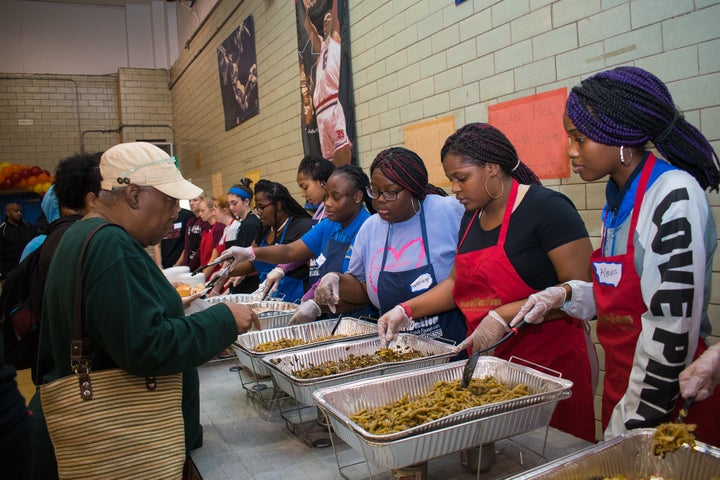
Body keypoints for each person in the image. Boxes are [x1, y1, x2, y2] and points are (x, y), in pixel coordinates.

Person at [511, 66, 720, 444]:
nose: (570, 151)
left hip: (667, 399)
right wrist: (567, 294)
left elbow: (672, 329)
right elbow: (621, 293)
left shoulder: (673, 195)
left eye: (579, 139)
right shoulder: (616, 202)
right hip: (623, 384)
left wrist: (631, 427)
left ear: (621, 137)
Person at [29, 142, 259, 479]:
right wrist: (223, 319)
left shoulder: (84, 234)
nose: (174, 214)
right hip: (119, 441)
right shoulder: (110, 245)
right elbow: (146, 345)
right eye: (168, 202)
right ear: (133, 195)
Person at [377, 124, 597, 442]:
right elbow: (457, 284)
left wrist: (502, 316)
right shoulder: (472, 217)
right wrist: (406, 309)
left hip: (549, 371)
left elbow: (584, 293)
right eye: (451, 179)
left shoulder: (547, 208)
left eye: (461, 178)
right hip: (491, 371)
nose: (454, 188)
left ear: (492, 169)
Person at [313, 147, 467, 350]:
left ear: (413, 188)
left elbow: (467, 282)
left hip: (451, 348)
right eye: (375, 191)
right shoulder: (371, 229)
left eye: (391, 192)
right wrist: (335, 279)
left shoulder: (450, 211)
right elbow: (363, 289)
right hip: (396, 352)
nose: (380, 199)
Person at [216, 165, 375, 323]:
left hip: (361, 319)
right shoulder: (330, 225)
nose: (327, 203)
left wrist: (316, 304)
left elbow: (365, 291)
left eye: (336, 197)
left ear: (357, 196)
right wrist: (250, 252)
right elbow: (290, 251)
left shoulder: (369, 228)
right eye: (327, 196)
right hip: (331, 318)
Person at [211, 180, 314, 304]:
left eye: (262, 207)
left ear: (279, 205)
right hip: (268, 300)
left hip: (295, 300)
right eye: (257, 208)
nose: (259, 213)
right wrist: (225, 273)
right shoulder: (264, 228)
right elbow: (252, 263)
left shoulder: (301, 227)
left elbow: (308, 265)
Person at [263, 155, 335, 296]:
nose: (302, 194)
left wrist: (310, 297)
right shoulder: (319, 212)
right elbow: (305, 248)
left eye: (305, 187)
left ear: (322, 182)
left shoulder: (334, 215)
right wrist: (281, 268)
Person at [302, 0, 351, 166]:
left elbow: (336, 18)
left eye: (328, 18)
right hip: (321, 112)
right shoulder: (320, 46)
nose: (326, 21)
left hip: (332, 104)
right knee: (328, 162)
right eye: (324, 20)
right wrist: (306, 11)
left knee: (342, 154)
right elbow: (308, 27)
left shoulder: (335, 38)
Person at [225, 178, 262, 294]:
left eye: (234, 203)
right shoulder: (245, 222)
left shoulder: (250, 224)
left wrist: (239, 273)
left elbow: (249, 256)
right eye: (229, 204)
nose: (231, 208)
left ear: (246, 202)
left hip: (249, 281)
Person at [0, 202, 36, 281]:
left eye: (20, 211)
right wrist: (2, 276)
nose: (19, 213)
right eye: (16, 211)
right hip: (11, 272)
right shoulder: (2, 230)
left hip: (28, 269)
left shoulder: (28, 226)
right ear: (8, 213)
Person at [179, 194, 210, 271]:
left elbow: (203, 247)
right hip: (189, 265)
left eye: (195, 200)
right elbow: (187, 246)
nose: (191, 203)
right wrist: (185, 266)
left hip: (201, 265)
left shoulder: (206, 221)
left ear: (203, 201)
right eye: (190, 201)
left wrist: (191, 266)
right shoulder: (190, 221)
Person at [197, 197, 224, 279]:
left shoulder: (219, 228)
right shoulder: (206, 228)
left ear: (212, 211)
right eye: (199, 211)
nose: (200, 214)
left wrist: (202, 277)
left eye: (203, 211)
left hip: (215, 276)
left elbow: (214, 259)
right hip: (206, 272)